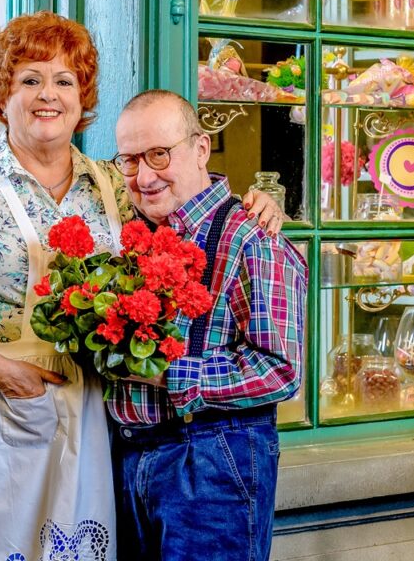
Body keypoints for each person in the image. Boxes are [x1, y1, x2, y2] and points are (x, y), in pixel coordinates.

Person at [0, 13, 282, 561]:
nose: (48, 94)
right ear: (3, 96)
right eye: (30, 79)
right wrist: (6, 374)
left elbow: (183, 198)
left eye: (64, 80)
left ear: (81, 97)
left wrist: (255, 202)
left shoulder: (114, 183)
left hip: (92, 414)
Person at [108, 89, 308, 561]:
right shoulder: (128, 238)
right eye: (130, 161)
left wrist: (166, 373)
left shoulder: (252, 236)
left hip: (211, 460)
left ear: (200, 149)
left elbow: (280, 370)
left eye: (160, 154)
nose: (145, 176)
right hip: (125, 458)